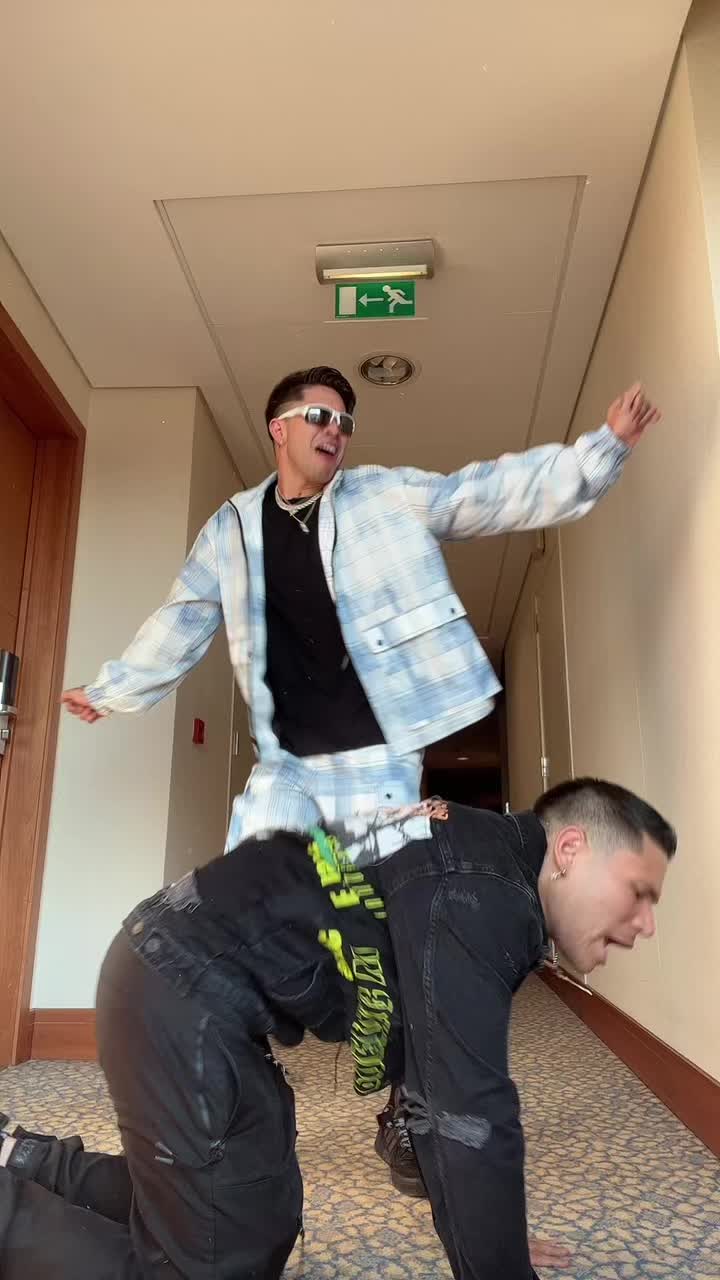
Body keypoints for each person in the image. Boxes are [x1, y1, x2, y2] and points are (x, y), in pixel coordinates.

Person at [61, 367, 661, 1195]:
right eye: (319, 415)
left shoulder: (384, 496)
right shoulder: (231, 528)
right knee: (237, 915)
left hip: (378, 763)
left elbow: (482, 493)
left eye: (345, 420)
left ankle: (410, 1114)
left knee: (401, 933)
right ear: (278, 428)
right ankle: (231, 1095)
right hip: (287, 768)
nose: (334, 430)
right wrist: (113, 689)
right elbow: (184, 615)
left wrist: (602, 451)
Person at [0, 778, 676, 1278]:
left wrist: (488, 1235)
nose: (645, 923)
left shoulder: (476, 864)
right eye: (639, 893)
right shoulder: (477, 887)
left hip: (188, 983)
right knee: (209, 1267)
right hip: (179, 989)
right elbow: (468, 1112)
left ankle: (20, 1155)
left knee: (257, 1218)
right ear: (571, 848)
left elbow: (433, 1089)